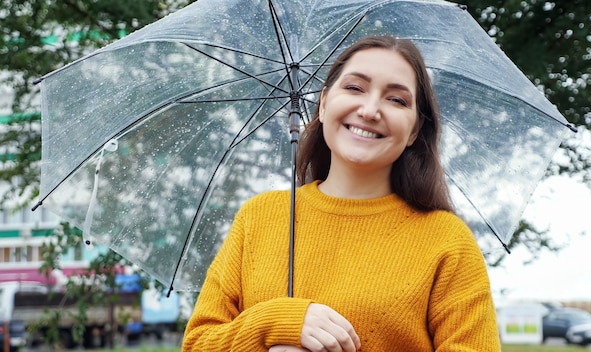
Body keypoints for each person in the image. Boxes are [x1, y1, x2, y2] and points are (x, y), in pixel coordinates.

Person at [182, 35, 501, 351]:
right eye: (354, 88)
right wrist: (273, 323)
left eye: (397, 100)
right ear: (323, 103)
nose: (370, 109)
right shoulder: (259, 217)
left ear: (414, 130)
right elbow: (197, 344)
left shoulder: (447, 240)